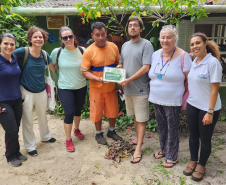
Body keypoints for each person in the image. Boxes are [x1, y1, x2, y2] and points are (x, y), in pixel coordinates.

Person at [148, 25, 192, 167]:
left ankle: (172, 156)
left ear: (175, 39)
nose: (165, 40)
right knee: (161, 127)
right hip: (156, 98)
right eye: (163, 37)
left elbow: (189, 80)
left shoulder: (184, 56)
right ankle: (164, 150)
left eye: (169, 37)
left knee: (172, 128)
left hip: (173, 100)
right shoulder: (155, 54)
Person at [183, 32, 222, 181]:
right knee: (193, 136)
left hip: (208, 108)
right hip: (193, 105)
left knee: (205, 139)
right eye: (192, 44)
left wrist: (210, 111)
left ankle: (201, 164)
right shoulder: (194, 61)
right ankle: (193, 160)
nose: (195, 46)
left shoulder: (212, 63)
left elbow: (214, 90)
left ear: (205, 42)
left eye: (198, 43)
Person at [13, 26, 56, 157]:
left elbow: (53, 69)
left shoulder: (44, 54)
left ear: (44, 39)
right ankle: (30, 146)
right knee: (28, 120)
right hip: (26, 91)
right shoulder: (23, 52)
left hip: (41, 91)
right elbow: (7, 59)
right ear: (30, 39)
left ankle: (45, 136)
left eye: (41, 37)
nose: (38, 39)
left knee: (43, 115)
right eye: (35, 37)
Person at [117, 16, 153, 163]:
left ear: (140, 29)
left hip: (140, 90)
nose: (132, 27)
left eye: (135, 25)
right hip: (128, 90)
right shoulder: (125, 45)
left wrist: (129, 80)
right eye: (130, 25)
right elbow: (121, 62)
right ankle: (138, 139)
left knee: (141, 118)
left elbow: (146, 67)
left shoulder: (146, 44)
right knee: (134, 117)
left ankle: (138, 148)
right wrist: (119, 68)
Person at [81, 22, 122, 145]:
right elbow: (84, 71)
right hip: (96, 88)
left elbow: (118, 63)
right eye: (97, 35)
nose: (100, 38)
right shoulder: (88, 51)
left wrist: (119, 67)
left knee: (113, 110)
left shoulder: (113, 47)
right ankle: (98, 133)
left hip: (110, 88)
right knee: (97, 112)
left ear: (106, 34)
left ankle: (111, 130)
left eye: (103, 34)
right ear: (92, 35)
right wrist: (97, 79)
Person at [50, 27, 87, 152]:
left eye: (70, 36)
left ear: (74, 36)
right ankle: (68, 139)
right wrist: (57, 76)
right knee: (69, 112)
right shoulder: (57, 52)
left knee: (78, 110)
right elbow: (52, 65)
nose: (68, 39)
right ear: (61, 39)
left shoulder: (82, 50)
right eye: (65, 38)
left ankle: (76, 130)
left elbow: (88, 66)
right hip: (65, 87)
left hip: (81, 85)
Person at [0, 33, 27, 167]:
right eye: (5, 43)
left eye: (12, 44)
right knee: (10, 130)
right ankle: (10, 156)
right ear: (0, 44)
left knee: (16, 128)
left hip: (16, 99)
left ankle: (16, 152)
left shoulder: (15, 58)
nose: (9, 46)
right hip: (3, 102)